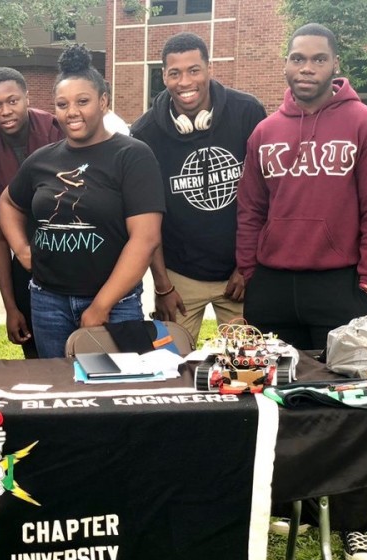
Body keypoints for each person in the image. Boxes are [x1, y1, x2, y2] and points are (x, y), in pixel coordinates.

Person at [236, 23, 367, 560]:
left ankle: (355, 526)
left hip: (339, 286)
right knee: (274, 400)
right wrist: (248, 269)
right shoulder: (265, 132)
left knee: (357, 404)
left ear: (335, 66)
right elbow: (251, 210)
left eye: (317, 60)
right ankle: (287, 504)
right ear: (285, 65)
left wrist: (366, 280)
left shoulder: (365, 124)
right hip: (273, 285)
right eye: (297, 59)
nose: (305, 68)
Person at [0, 44, 165, 358]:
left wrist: (102, 305)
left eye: (82, 101)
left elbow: (146, 238)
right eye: (62, 104)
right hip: (48, 302)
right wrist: (22, 250)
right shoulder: (42, 160)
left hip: (115, 304)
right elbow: (8, 202)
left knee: (112, 397)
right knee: (59, 394)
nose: (71, 111)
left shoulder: (132, 155)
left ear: (103, 102)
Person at [130, 32, 266, 341]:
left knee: (249, 370)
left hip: (240, 271)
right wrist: (163, 286)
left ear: (209, 69)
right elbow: (148, 220)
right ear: (163, 75)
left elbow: (267, 198)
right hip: (179, 276)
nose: (185, 81)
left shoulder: (248, 113)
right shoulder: (144, 134)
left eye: (194, 70)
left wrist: (248, 265)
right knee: (168, 365)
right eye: (174, 73)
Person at [0, 66, 64, 357]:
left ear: (27, 97)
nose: (5, 111)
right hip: (28, 266)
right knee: (39, 359)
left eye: (12, 100)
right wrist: (11, 307)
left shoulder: (60, 131)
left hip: (81, 255)